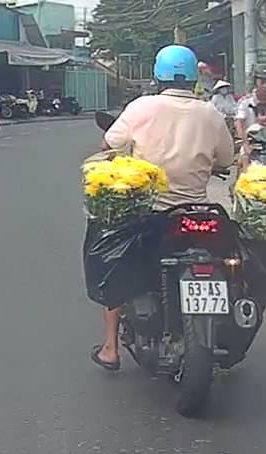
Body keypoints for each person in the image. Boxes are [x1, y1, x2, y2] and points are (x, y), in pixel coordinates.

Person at [90, 44, 235, 371]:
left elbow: (108, 144)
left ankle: (110, 348)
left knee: (113, 258)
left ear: (158, 75)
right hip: (197, 212)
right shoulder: (210, 113)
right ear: (193, 78)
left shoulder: (141, 107)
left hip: (151, 214)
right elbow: (226, 159)